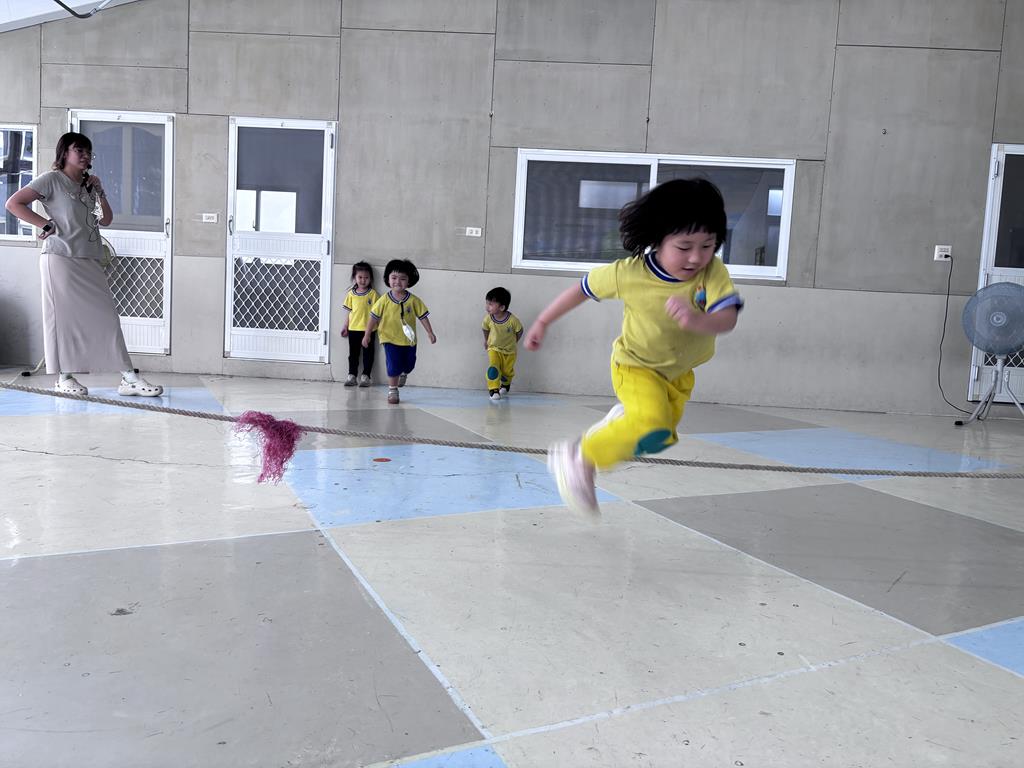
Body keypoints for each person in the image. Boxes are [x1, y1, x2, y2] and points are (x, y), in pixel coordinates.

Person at [524, 178, 742, 515]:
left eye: (707, 245)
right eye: (684, 246)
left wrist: (699, 321)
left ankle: (621, 423)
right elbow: (581, 290)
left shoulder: (712, 272)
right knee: (650, 423)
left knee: (658, 438)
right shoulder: (628, 274)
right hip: (636, 365)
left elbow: (727, 318)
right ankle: (580, 457)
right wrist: (543, 321)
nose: (696, 257)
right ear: (658, 239)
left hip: (678, 374)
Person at [4, 131, 162, 397]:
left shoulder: (88, 186)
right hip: (60, 258)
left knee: (108, 318)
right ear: (65, 152)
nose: (86, 156)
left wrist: (100, 192)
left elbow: (106, 220)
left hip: (89, 258)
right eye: (79, 150)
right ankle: (64, 378)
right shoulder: (52, 179)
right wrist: (45, 224)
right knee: (64, 321)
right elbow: (13, 203)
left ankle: (128, 379)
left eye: (89, 152)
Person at [363, 259, 436, 405]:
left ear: (409, 282)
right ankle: (393, 390)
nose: (397, 282)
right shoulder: (383, 300)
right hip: (389, 338)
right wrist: (367, 334)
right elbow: (373, 317)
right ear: (388, 279)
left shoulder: (414, 300)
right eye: (394, 278)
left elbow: (423, 316)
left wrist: (430, 332)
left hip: (409, 340)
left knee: (409, 364)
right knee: (393, 364)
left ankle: (404, 372)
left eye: (402, 279)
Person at [340, 261, 379, 387]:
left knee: (368, 354)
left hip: (370, 330)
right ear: (355, 277)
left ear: (370, 278)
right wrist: (345, 326)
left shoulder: (373, 294)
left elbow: (377, 314)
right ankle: (352, 375)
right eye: (360, 277)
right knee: (353, 354)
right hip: (353, 329)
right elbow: (349, 313)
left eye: (366, 277)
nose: (363, 280)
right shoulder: (351, 294)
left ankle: (366, 376)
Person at [481, 286, 523, 401]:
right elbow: (485, 329)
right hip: (494, 348)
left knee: (506, 371)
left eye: (490, 304)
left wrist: (514, 342)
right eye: (487, 303)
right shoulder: (488, 319)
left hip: (509, 351)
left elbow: (519, 331)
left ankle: (505, 384)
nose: (487, 307)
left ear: (502, 307)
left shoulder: (513, 320)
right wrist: (486, 340)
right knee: (493, 367)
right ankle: (493, 389)